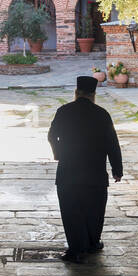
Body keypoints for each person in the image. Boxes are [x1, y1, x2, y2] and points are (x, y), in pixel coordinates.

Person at [47, 75, 123, 263]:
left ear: (76, 93)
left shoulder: (64, 111)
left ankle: (76, 248)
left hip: (68, 171)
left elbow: (51, 135)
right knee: (95, 209)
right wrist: (117, 168)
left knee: (71, 209)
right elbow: (112, 143)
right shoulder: (102, 114)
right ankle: (92, 243)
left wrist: (58, 153)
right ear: (93, 94)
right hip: (94, 172)